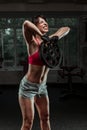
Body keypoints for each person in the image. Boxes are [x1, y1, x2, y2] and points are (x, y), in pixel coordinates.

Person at [18, 15, 70, 130]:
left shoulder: (49, 42)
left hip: (42, 87)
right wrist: (42, 36)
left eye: (46, 22)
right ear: (36, 26)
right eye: (41, 22)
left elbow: (66, 28)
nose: (45, 23)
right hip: (28, 87)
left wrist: (55, 37)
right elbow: (26, 23)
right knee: (28, 123)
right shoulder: (32, 42)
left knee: (45, 118)